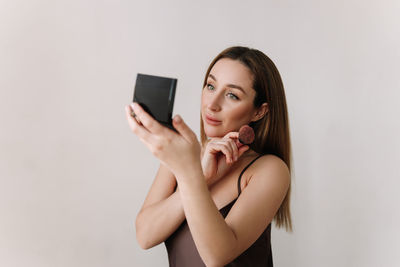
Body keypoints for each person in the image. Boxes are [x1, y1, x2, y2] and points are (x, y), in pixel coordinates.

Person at [125, 46, 292, 267]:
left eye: (232, 95)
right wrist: (199, 177)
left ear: (259, 111)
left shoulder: (269, 169)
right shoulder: (183, 155)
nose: (212, 105)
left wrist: (189, 175)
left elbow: (217, 256)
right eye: (211, 86)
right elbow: (145, 236)